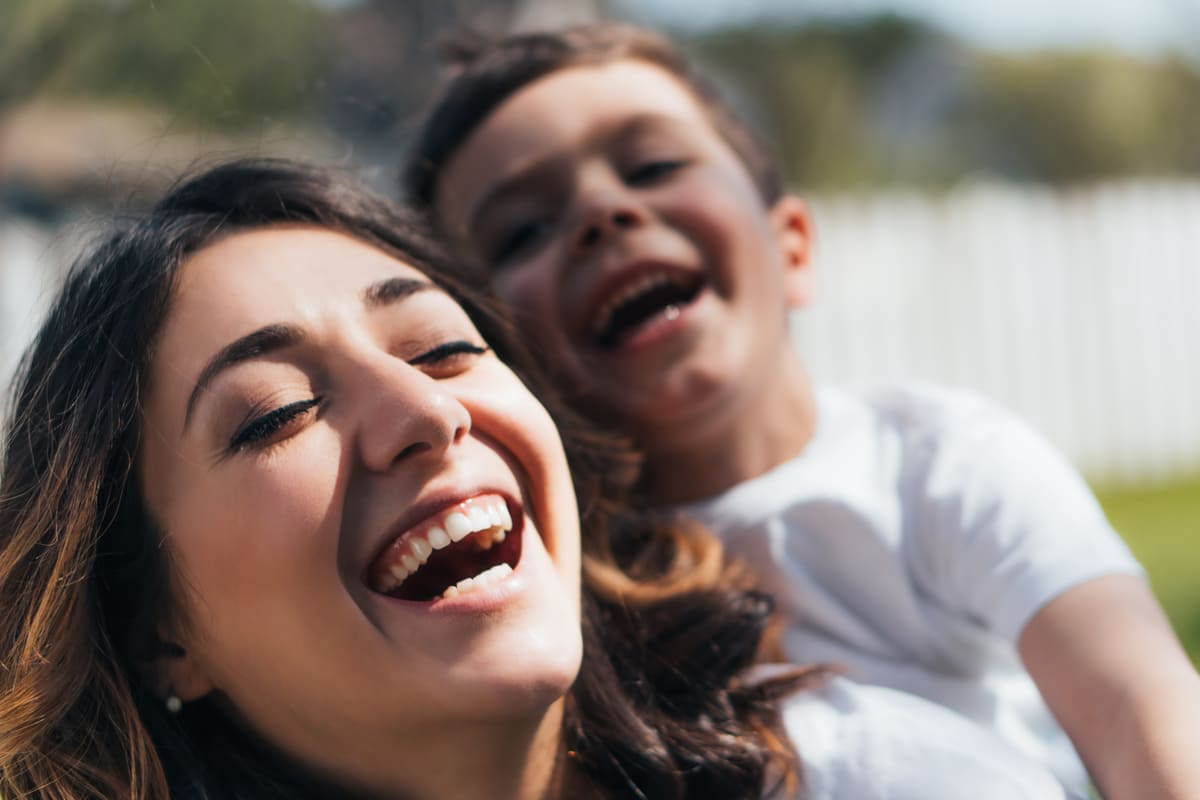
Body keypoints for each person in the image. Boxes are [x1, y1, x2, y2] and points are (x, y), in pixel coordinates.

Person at [0, 158, 1077, 799]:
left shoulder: (867, 774)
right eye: (279, 412)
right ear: (154, 629)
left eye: (441, 347)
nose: (426, 413)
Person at [402, 22, 1200, 799]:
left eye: (651, 165)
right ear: (491, 359)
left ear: (791, 248)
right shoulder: (551, 584)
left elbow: (1140, 704)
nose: (600, 214)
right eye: (524, 229)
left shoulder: (937, 460)